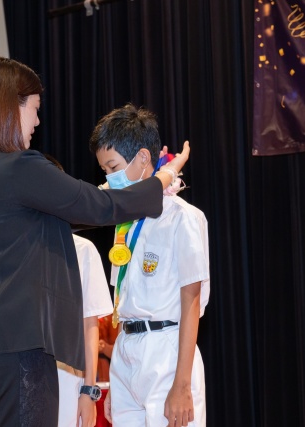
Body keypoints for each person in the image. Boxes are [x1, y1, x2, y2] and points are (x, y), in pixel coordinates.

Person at [0, 57, 191, 427]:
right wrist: (162, 177)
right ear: (11, 106)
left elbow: (63, 214)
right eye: (34, 108)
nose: (37, 122)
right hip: (11, 344)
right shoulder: (19, 166)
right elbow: (96, 206)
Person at [89, 103, 210, 427]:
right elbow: (124, 300)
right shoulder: (125, 224)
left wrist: (182, 384)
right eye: (103, 170)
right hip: (126, 351)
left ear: (143, 158)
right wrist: (118, 379)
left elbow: (191, 301)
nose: (109, 178)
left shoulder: (183, 218)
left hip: (166, 351)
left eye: (113, 167)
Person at [45, 154, 113, 427]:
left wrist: (89, 390)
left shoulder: (83, 250)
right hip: (20, 377)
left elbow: (89, 324)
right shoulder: (15, 249)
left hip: (67, 376)